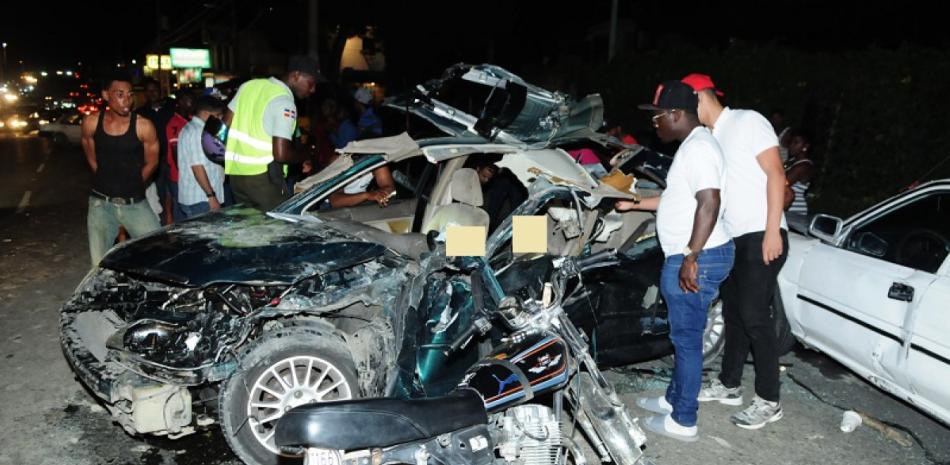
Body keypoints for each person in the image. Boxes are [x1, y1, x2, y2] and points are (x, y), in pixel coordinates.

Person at [615, 80, 733, 442]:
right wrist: (634, 204)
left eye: (657, 117)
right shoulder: (693, 147)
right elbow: (676, 198)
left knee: (686, 341)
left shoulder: (698, 149)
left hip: (700, 255)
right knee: (684, 338)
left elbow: (708, 202)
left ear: (676, 114)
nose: (655, 124)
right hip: (698, 253)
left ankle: (684, 420)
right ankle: (674, 400)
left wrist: (690, 257)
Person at [683, 73, 789, 430]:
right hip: (734, 238)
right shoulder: (710, 139)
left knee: (755, 315)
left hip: (762, 231)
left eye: (685, 102)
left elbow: (776, 174)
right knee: (734, 316)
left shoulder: (747, 121)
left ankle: (769, 400)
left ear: (699, 96)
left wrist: (773, 230)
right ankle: (729, 385)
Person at [81, 71, 161, 266]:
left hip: (134, 202)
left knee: (159, 252)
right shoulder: (91, 122)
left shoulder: (143, 126)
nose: (127, 100)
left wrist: (134, 181)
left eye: (130, 94)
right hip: (101, 204)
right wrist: (105, 177)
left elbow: (153, 161)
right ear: (106, 95)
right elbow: (90, 155)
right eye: (120, 94)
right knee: (99, 264)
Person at [223, 55, 320, 211]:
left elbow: (225, 124)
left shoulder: (249, 86)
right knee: (279, 228)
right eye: (311, 83)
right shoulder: (285, 103)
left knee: (250, 229)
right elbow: (281, 154)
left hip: (236, 176)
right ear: (296, 76)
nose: (313, 89)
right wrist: (306, 154)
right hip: (263, 178)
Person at [177, 96, 226, 219]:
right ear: (205, 114)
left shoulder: (191, 128)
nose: (220, 119)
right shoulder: (197, 132)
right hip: (201, 199)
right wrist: (211, 196)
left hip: (200, 198)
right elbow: (197, 167)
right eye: (218, 115)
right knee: (210, 237)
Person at [136, 77, 175, 224]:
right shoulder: (140, 113)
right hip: (153, 162)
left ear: (161, 91)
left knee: (174, 192)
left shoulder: (171, 107)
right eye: (149, 90)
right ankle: (161, 225)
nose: (152, 93)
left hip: (173, 159)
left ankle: (173, 222)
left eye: (155, 90)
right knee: (157, 195)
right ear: (145, 93)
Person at [164, 89, 195, 222]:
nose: (193, 102)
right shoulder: (175, 124)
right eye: (189, 99)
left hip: (187, 175)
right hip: (180, 177)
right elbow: (176, 154)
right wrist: (186, 174)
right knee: (182, 214)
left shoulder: (189, 120)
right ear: (181, 102)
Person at [783, 130, 815, 232]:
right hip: (787, 207)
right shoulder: (792, 162)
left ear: (805, 146)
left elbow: (782, 183)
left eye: (796, 142)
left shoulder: (803, 166)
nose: (791, 145)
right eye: (791, 142)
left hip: (793, 210)